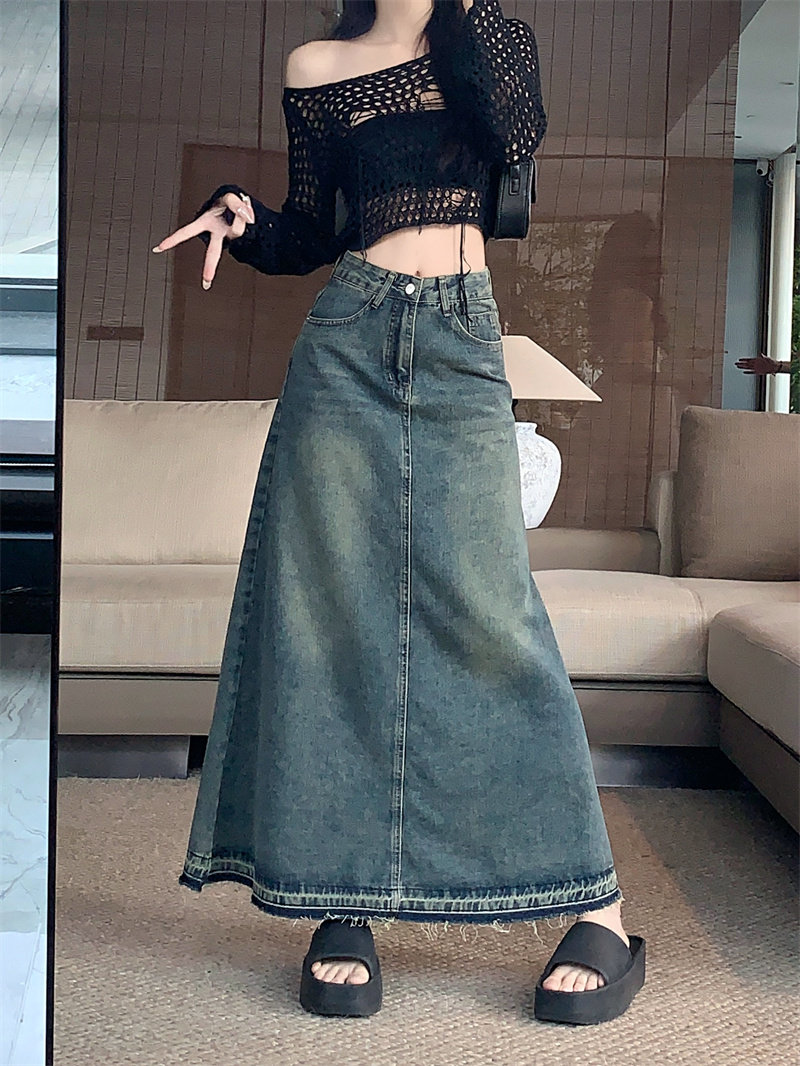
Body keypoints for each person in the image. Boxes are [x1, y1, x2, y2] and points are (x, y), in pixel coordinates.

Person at [153, 0, 645, 1025]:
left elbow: (513, 141)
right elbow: (313, 226)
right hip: (347, 339)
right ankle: (343, 899)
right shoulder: (316, 64)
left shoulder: (492, 39)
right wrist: (244, 218)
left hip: (462, 339)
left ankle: (598, 907)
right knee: (334, 621)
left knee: (495, 617)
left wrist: (457, 17)